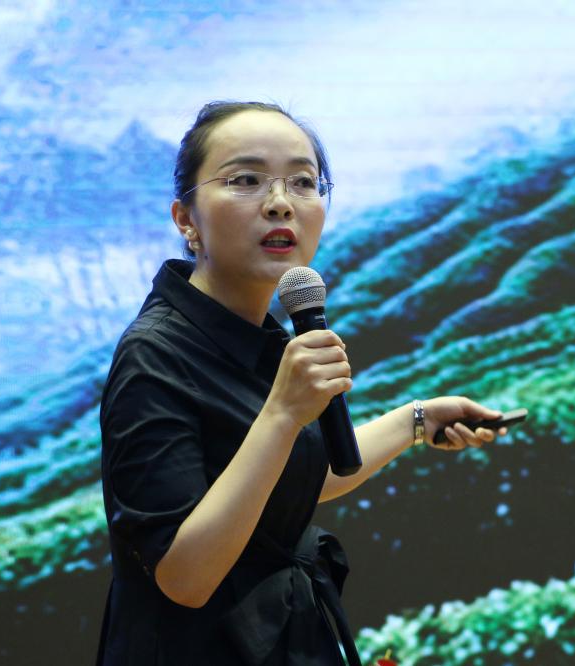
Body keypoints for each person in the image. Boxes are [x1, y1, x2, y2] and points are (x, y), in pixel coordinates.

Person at [96, 101, 508, 666]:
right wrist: (283, 413)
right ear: (186, 219)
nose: (280, 203)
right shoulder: (155, 355)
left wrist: (419, 420)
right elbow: (184, 577)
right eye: (245, 180)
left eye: (304, 182)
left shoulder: (261, 333)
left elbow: (288, 479)